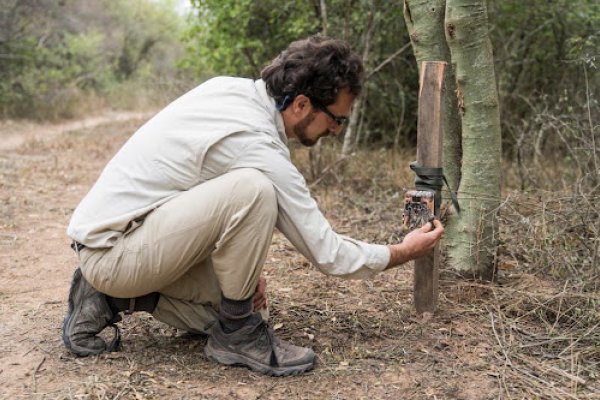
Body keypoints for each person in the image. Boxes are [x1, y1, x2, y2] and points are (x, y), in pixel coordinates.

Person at [62, 35, 444, 377]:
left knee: (241, 310)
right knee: (255, 190)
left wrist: (238, 276)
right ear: (301, 104)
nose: (337, 131)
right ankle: (229, 334)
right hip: (114, 250)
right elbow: (327, 253)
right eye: (336, 119)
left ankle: (109, 296)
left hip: (132, 238)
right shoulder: (258, 144)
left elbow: (196, 195)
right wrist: (402, 251)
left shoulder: (229, 91)